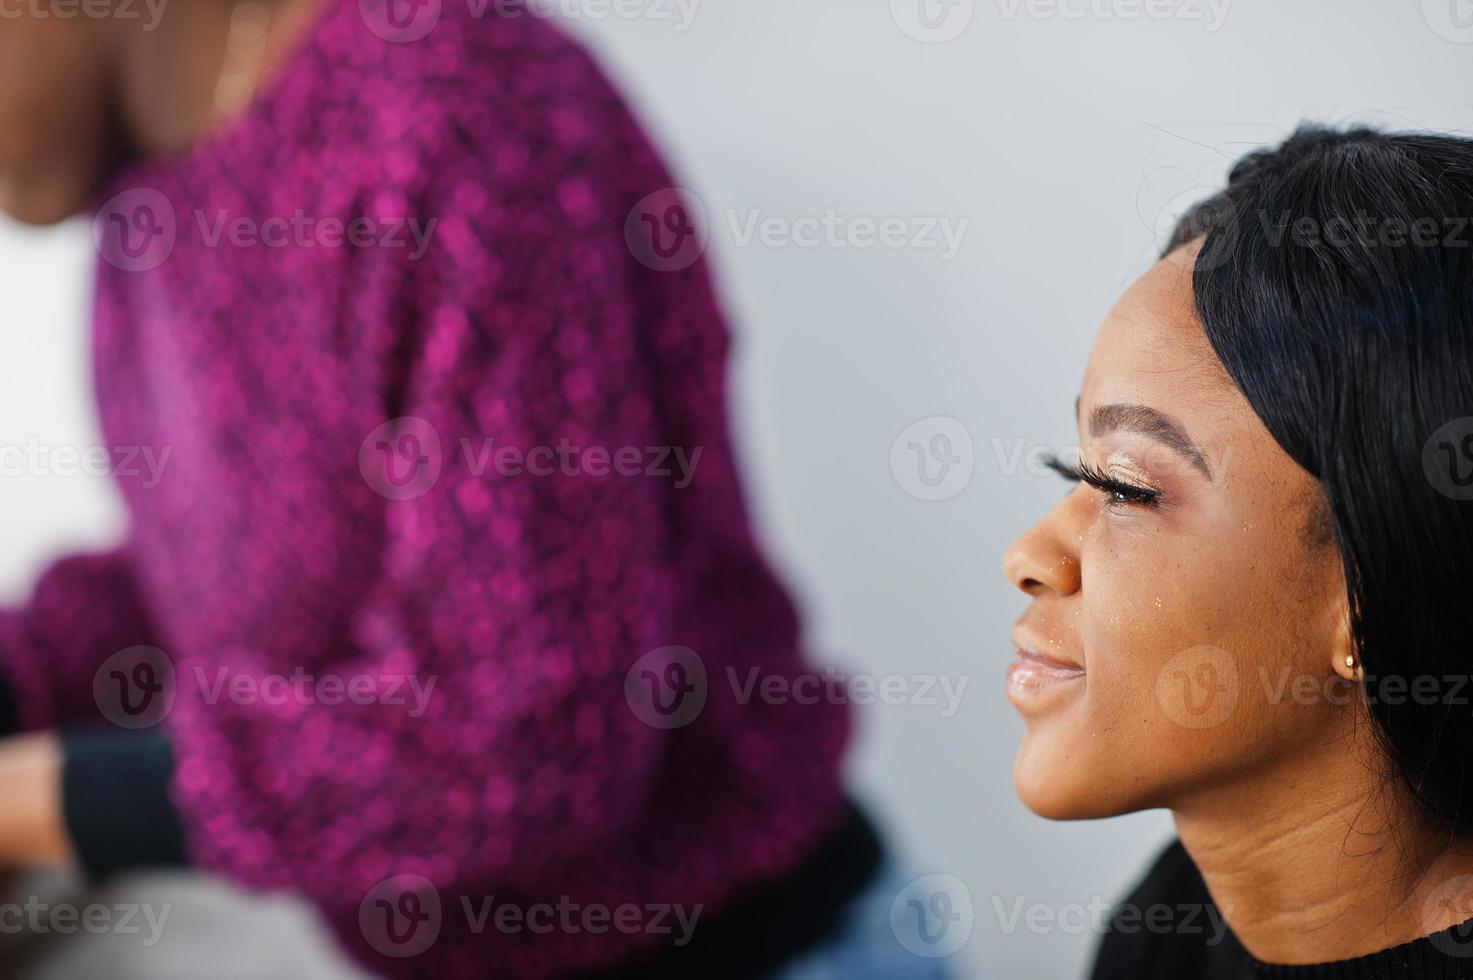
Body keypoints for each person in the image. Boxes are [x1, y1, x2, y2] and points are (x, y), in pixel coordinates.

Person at [0, 1, 944, 977]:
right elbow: (246, 583)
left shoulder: (457, 104)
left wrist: (39, 803)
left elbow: (530, 733)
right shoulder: (151, 198)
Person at [1004, 124, 1473, 978]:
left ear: (1368, 600)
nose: (1027, 557)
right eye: (1071, 468)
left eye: (1123, 489)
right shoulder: (1169, 925)